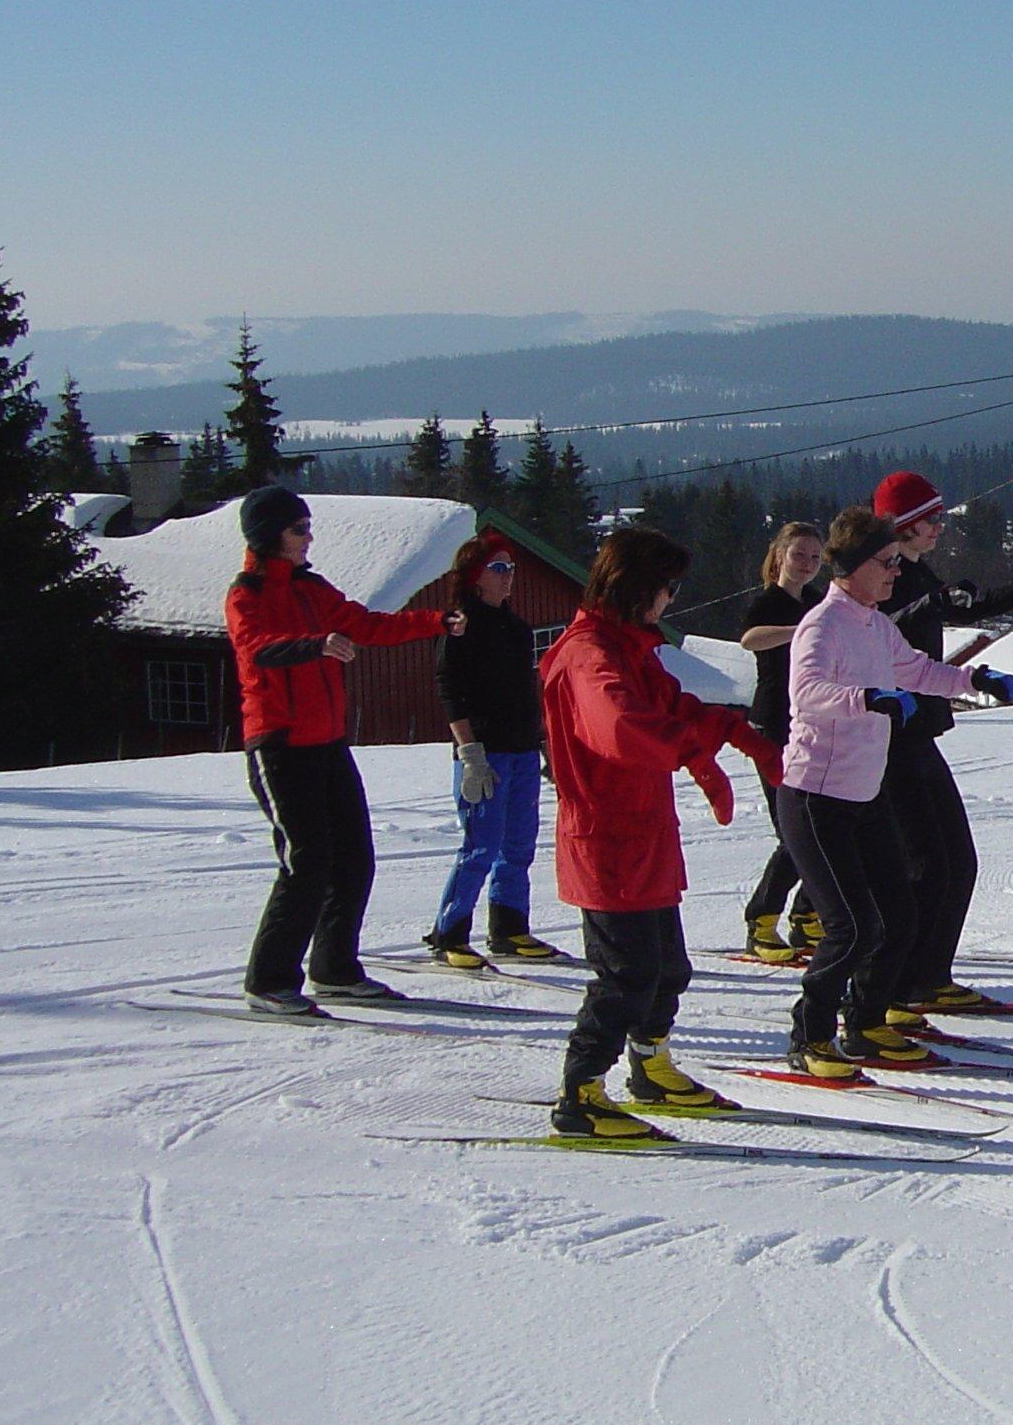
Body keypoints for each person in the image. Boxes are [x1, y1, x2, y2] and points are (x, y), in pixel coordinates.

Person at [541, 526, 783, 1139]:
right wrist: (692, 755)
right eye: (667, 587)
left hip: (645, 833)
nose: (672, 599)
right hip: (607, 841)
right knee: (624, 977)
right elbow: (619, 725)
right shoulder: (588, 654)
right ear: (637, 588)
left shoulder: (628, 646)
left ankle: (650, 1068)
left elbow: (670, 704)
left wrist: (736, 734)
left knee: (668, 969)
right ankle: (581, 1093)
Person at [776, 506, 1013, 1077]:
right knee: (852, 926)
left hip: (865, 792)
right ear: (855, 566)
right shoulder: (824, 623)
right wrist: (865, 699)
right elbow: (807, 691)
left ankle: (866, 1022)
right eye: (884, 564)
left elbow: (914, 669)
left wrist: (972, 680)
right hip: (817, 796)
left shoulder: (873, 623)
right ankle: (809, 1036)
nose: (893, 573)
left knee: (900, 914)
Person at [225, 487, 462, 1013]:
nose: (309, 537)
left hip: (328, 742)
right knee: (305, 862)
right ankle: (268, 982)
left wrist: (434, 622)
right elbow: (257, 650)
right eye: (298, 529)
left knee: (354, 858)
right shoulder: (246, 595)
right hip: (280, 745)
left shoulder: (312, 588)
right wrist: (315, 644)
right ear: (269, 536)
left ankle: (334, 969)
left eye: (308, 527)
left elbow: (366, 623)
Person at [872, 469, 1013, 1014]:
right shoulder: (879, 575)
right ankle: (902, 983)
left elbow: (954, 607)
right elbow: (880, 625)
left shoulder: (914, 569)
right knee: (927, 864)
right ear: (905, 524)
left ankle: (929, 975)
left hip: (919, 730)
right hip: (887, 735)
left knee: (957, 862)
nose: (940, 527)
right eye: (932, 518)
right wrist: (932, 604)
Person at [423, 534, 553, 968]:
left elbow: (525, 691)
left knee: (518, 844)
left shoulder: (516, 629)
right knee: (481, 844)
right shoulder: (460, 624)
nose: (508, 576)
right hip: (484, 753)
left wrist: (542, 743)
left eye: (510, 568)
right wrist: (468, 751)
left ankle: (510, 928)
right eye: (498, 568)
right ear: (475, 576)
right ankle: (450, 932)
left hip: (520, 750)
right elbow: (448, 689)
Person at [738, 521, 825, 962]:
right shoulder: (769, 601)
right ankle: (762, 918)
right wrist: (799, 633)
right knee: (793, 833)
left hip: (808, 721)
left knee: (819, 826)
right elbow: (750, 639)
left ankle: (806, 915)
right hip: (772, 724)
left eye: (814, 558)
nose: (807, 565)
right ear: (780, 556)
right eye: (799, 555)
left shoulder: (816, 602)